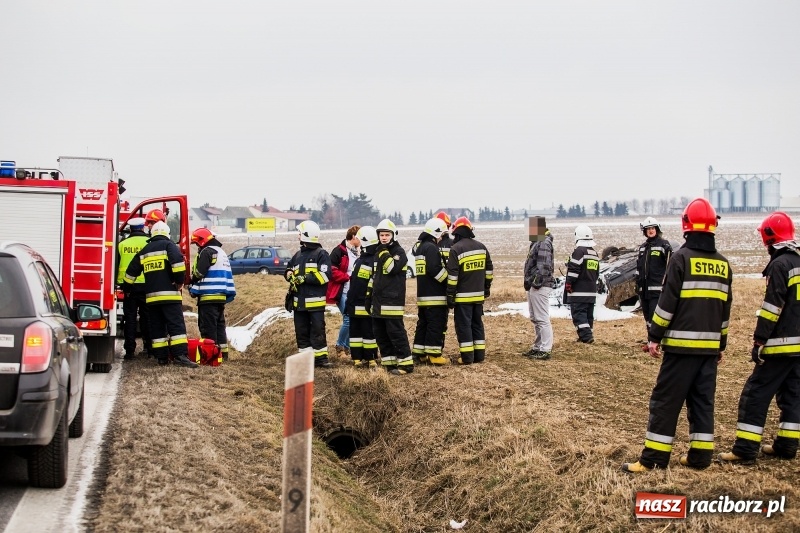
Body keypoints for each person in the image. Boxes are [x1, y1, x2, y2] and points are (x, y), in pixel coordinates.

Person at [622, 198, 732, 473]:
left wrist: (654, 336)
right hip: (709, 349)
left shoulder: (681, 258)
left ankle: (653, 460)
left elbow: (667, 303)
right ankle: (700, 458)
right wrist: (721, 344)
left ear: (686, 225)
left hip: (681, 349)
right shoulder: (723, 264)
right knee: (702, 402)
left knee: (666, 401)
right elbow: (725, 310)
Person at [718, 211, 800, 465]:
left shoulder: (779, 265)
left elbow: (772, 307)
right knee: (793, 395)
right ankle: (787, 446)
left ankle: (745, 449)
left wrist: (759, 340)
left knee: (755, 394)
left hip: (780, 345)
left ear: (769, 237)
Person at [124, 221, 198, 368]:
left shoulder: (145, 249)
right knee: (175, 326)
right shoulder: (169, 246)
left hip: (151, 299)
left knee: (157, 328)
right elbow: (178, 265)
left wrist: (127, 288)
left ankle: (162, 358)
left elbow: (130, 273)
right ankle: (180, 356)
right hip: (170, 296)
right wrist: (178, 282)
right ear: (167, 234)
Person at [285, 220, 333, 369]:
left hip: (315, 303)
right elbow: (288, 269)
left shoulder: (321, 254)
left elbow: (325, 276)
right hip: (299, 303)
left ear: (306, 235)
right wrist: (289, 274)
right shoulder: (298, 255)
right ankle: (306, 359)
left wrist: (305, 278)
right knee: (302, 332)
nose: (298, 235)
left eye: (300, 233)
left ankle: (321, 360)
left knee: (317, 330)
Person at [446, 216, 493, 365]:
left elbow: (452, 276)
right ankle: (479, 356)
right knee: (477, 324)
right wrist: (486, 287)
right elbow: (489, 270)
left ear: (457, 233)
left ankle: (467, 358)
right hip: (478, 296)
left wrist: (450, 295)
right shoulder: (482, 247)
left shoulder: (455, 249)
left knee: (464, 326)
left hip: (462, 298)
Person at [370, 218, 413, 375]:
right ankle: (389, 364)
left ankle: (406, 364)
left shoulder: (398, 252)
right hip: (378, 301)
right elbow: (374, 276)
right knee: (381, 334)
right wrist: (369, 298)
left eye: (387, 235)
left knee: (396, 333)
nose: (384, 237)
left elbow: (391, 269)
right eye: (381, 235)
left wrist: (382, 251)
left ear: (393, 235)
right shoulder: (378, 252)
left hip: (392, 301)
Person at [188, 228, 236, 361]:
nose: (197, 247)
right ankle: (222, 355)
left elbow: (199, 273)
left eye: (197, 244)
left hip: (208, 296)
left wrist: (190, 280)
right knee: (220, 326)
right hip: (220, 296)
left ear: (202, 241)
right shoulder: (221, 252)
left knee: (208, 327)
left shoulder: (207, 252)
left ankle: (211, 357)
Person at [411, 217, 450, 365]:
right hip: (435, 296)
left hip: (423, 295)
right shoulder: (431, 248)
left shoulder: (420, 247)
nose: (442, 238)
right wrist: (448, 281)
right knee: (436, 324)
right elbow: (434, 269)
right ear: (436, 233)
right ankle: (434, 355)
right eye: (442, 235)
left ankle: (419, 353)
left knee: (423, 324)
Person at [117, 217, 151, 360]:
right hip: (147, 285)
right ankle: (148, 348)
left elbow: (116, 265)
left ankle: (130, 351)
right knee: (147, 318)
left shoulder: (122, 244)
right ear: (143, 228)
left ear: (130, 229)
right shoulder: (148, 244)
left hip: (128, 287)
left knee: (130, 319)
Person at [636, 217, 672, 350]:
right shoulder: (642, 248)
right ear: (644, 231)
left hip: (657, 289)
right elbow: (639, 268)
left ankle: (656, 342)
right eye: (648, 229)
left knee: (654, 316)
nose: (651, 231)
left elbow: (670, 265)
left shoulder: (664, 245)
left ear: (657, 229)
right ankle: (651, 341)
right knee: (647, 317)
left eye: (653, 228)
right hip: (644, 289)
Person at [346, 226, 379, 369]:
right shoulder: (366, 260)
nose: (357, 242)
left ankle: (364, 358)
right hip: (361, 305)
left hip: (362, 305)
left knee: (362, 333)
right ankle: (362, 358)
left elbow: (359, 285)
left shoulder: (366, 261)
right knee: (362, 333)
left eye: (359, 239)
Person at [522, 220, 555, 360]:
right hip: (535, 285)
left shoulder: (543, 242)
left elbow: (544, 266)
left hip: (540, 286)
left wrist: (536, 283)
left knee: (541, 318)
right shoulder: (538, 241)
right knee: (535, 318)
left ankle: (545, 349)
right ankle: (538, 347)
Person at [327, 225, 360, 358]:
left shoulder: (357, 251)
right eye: (360, 237)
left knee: (352, 318)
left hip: (354, 291)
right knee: (348, 318)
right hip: (342, 291)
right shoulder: (338, 251)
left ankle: (347, 347)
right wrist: (347, 277)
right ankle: (340, 346)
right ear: (353, 237)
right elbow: (332, 270)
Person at [566, 225, 599, 344]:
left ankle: (586, 337)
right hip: (591, 291)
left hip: (579, 292)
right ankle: (586, 334)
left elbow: (574, 269)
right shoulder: (594, 253)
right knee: (588, 315)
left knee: (579, 314)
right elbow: (596, 273)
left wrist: (569, 283)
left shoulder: (579, 252)